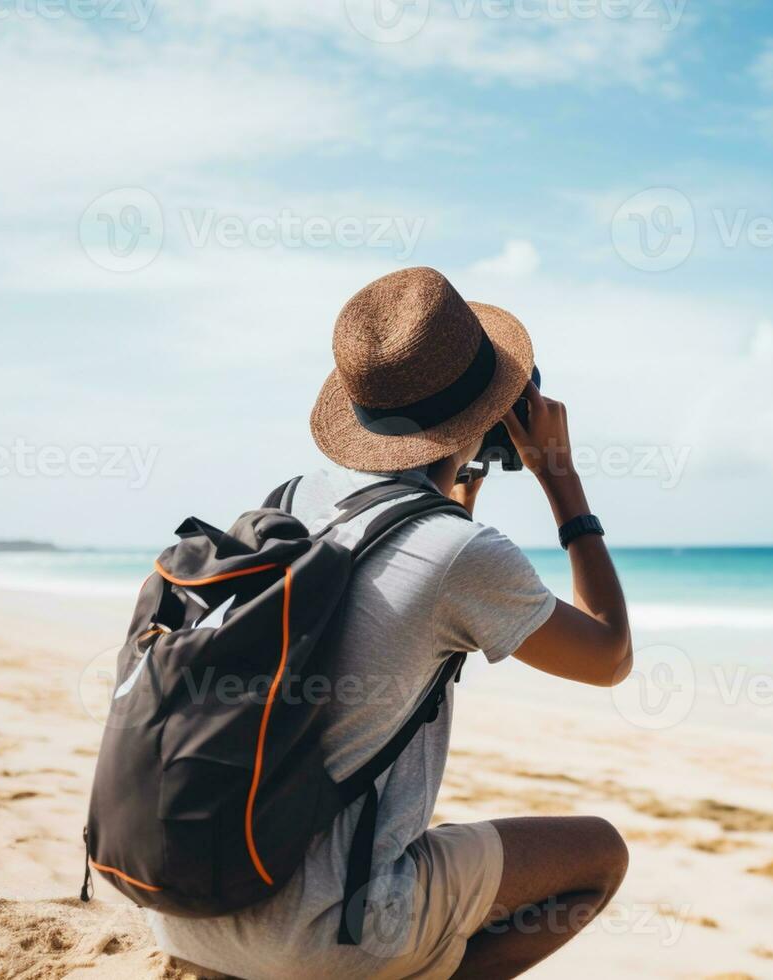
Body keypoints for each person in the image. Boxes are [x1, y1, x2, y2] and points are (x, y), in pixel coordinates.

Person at [149, 267, 633, 979]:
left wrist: (454, 486)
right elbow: (609, 656)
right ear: (491, 411)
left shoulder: (284, 504)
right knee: (598, 855)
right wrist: (562, 481)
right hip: (318, 935)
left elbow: (394, 590)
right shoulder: (462, 556)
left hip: (192, 900)